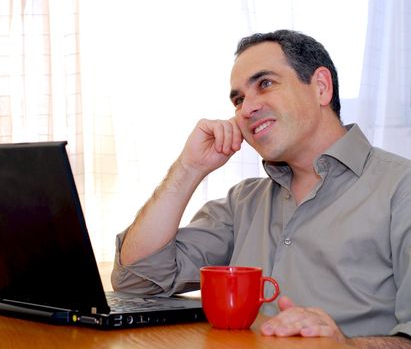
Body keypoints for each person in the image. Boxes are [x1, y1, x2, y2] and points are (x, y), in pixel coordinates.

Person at [110, 30, 411, 347]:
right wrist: (189, 168)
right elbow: (135, 279)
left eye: (265, 84)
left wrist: (348, 346)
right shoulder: (242, 203)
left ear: (321, 87)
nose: (246, 109)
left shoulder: (401, 188)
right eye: (238, 99)